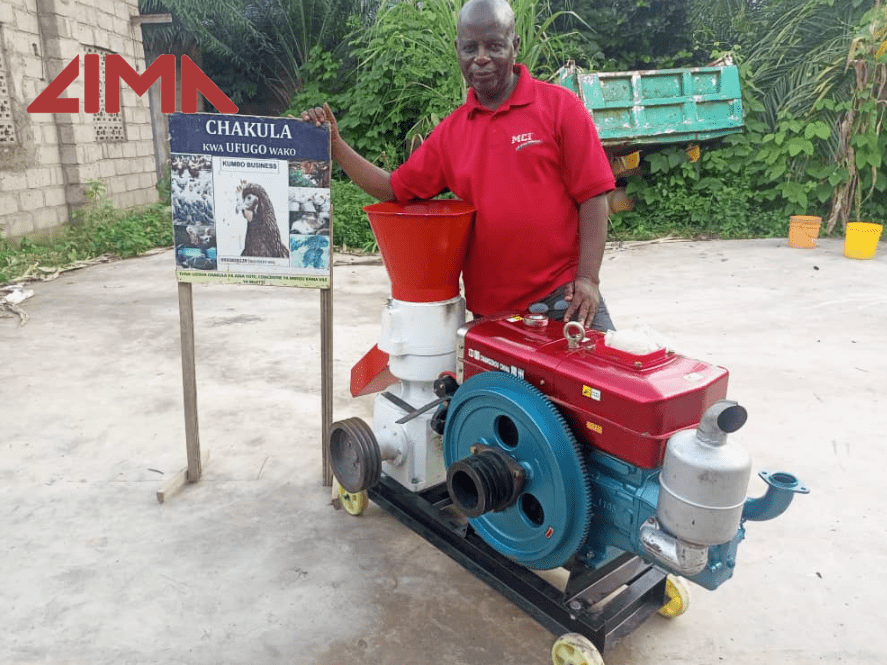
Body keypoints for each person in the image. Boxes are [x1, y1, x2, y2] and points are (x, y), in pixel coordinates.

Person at [301, 0, 616, 330]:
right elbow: (394, 189)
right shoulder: (451, 133)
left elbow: (593, 196)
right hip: (493, 316)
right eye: (470, 47)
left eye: (494, 45)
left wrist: (588, 279)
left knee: (611, 379)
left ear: (515, 45)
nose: (481, 57)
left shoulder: (560, 108)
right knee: (488, 386)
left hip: (563, 301)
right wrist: (336, 147)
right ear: (458, 50)